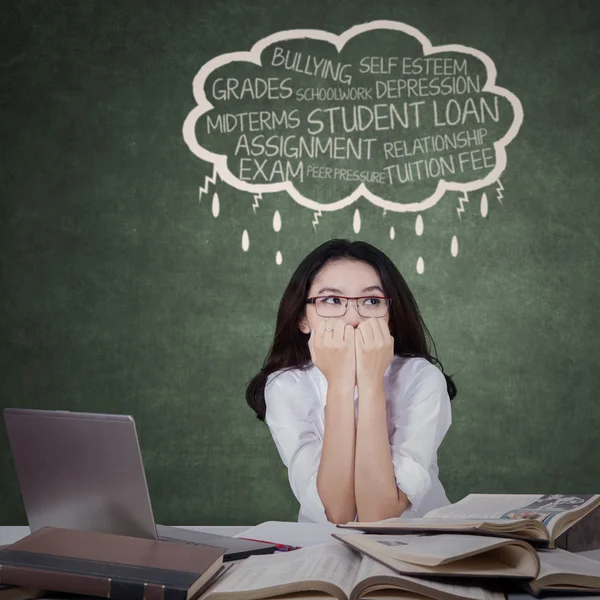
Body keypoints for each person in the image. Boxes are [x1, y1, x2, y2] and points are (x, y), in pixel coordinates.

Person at [246, 239, 456, 524]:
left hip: (420, 549)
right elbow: (337, 515)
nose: (353, 317)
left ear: (390, 317)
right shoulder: (285, 386)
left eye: (371, 301)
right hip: (323, 553)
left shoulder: (422, 379)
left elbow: (379, 515)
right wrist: (341, 383)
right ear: (303, 319)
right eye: (332, 300)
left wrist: (370, 382)